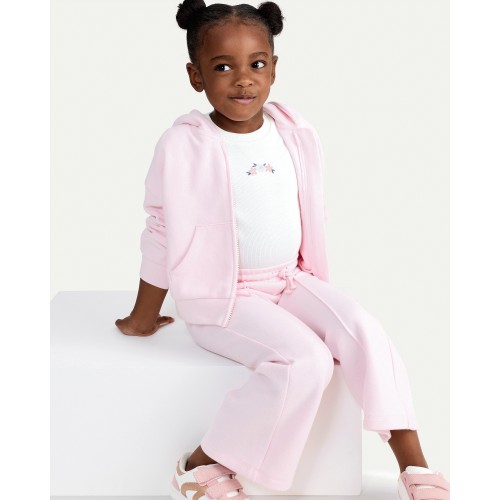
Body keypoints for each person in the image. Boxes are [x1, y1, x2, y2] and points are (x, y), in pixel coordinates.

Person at [115, 1, 450, 499]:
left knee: (364, 330)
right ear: (195, 76)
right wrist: (144, 317)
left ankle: (414, 465)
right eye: (222, 67)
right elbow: (162, 227)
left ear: (273, 68)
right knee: (305, 363)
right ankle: (199, 463)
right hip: (225, 297)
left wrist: (312, 283)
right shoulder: (184, 145)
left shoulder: (293, 131)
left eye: (256, 63)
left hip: (290, 280)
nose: (243, 79)